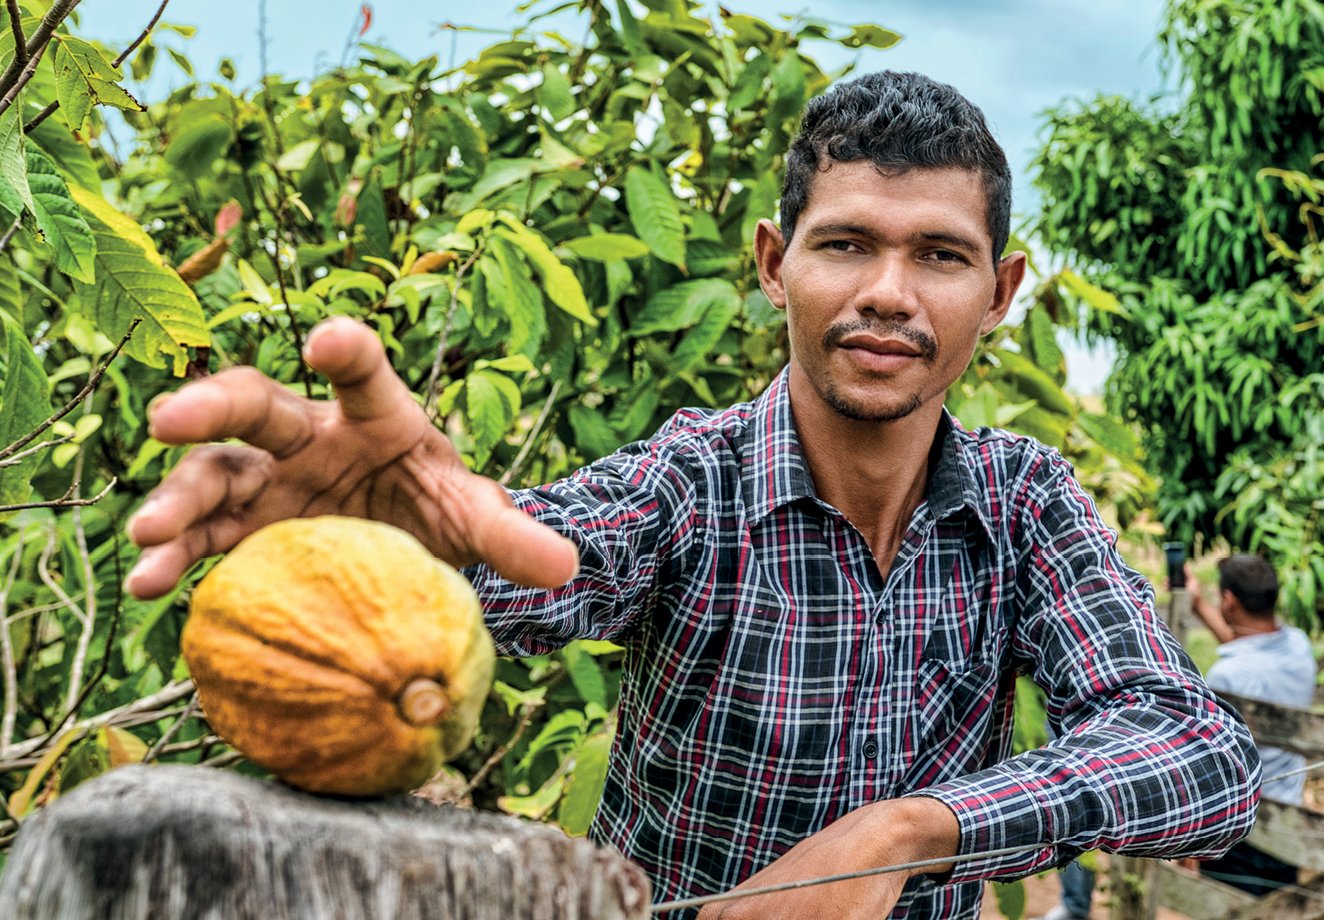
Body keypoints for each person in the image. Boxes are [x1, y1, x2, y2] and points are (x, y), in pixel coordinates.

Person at [124, 72, 1260, 919]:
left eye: (941, 256)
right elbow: (535, 563)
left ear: (1002, 289)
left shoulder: (1023, 503)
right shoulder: (694, 479)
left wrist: (911, 831)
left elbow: (1198, 753)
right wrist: (401, 540)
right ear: (774, 264)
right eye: (846, 243)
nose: (886, 294)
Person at [1189, 554, 1315, 897]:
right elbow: (1248, 653)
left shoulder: (1228, 676)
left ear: (1229, 599)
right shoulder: (1299, 646)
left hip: (1241, 826)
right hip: (1289, 818)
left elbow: (1214, 767)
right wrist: (1199, 605)